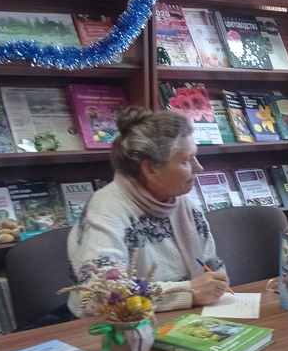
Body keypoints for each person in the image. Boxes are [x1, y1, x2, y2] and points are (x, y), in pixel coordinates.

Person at [68, 108, 229, 315]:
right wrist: (187, 291)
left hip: (180, 316)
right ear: (151, 169)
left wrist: (216, 284)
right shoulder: (107, 210)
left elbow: (210, 265)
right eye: (186, 161)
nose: (199, 168)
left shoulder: (184, 204)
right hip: (112, 327)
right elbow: (100, 294)